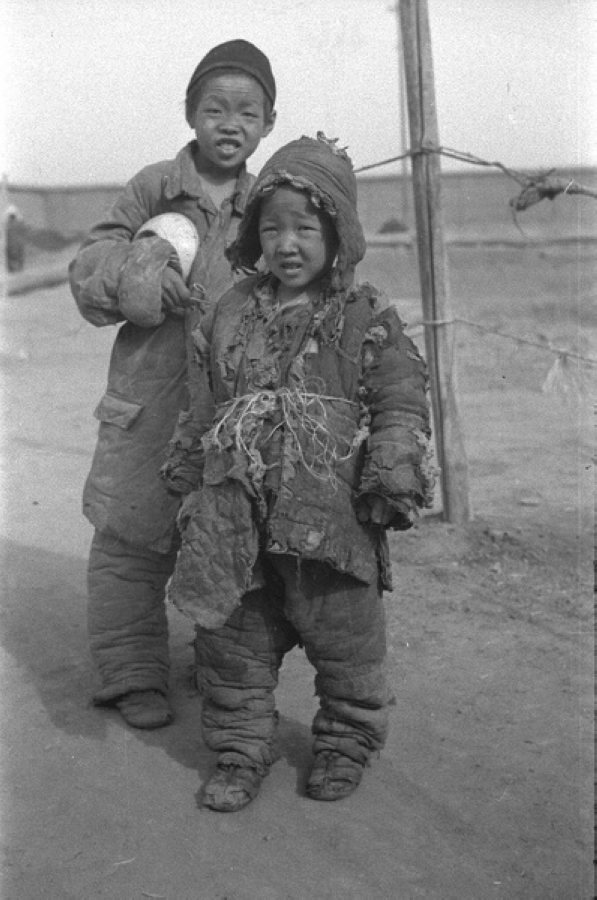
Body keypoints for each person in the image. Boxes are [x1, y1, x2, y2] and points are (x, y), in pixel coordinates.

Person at [161, 133, 435, 810]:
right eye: (272, 227)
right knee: (232, 647)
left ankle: (345, 745)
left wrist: (392, 467)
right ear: (254, 233)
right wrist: (187, 472)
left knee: (347, 648)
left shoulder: (364, 316)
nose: (287, 244)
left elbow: (399, 398)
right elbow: (204, 401)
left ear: (338, 232)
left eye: (305, 228)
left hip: (328, 521)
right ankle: (237, 752)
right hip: (236, 516)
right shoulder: (229, 312)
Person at [68, 40, 277, 730]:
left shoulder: (271, 201)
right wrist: (136, 272)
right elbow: (90, 262)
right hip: (149, 399)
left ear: (267, 124)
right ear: (190, 115)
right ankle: (131, 671)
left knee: (226, 539)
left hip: (231, 408)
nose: (228, 122)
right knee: (129, 540)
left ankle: (222, 670)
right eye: (213, 107)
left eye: (246, 110)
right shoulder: (154, 186)